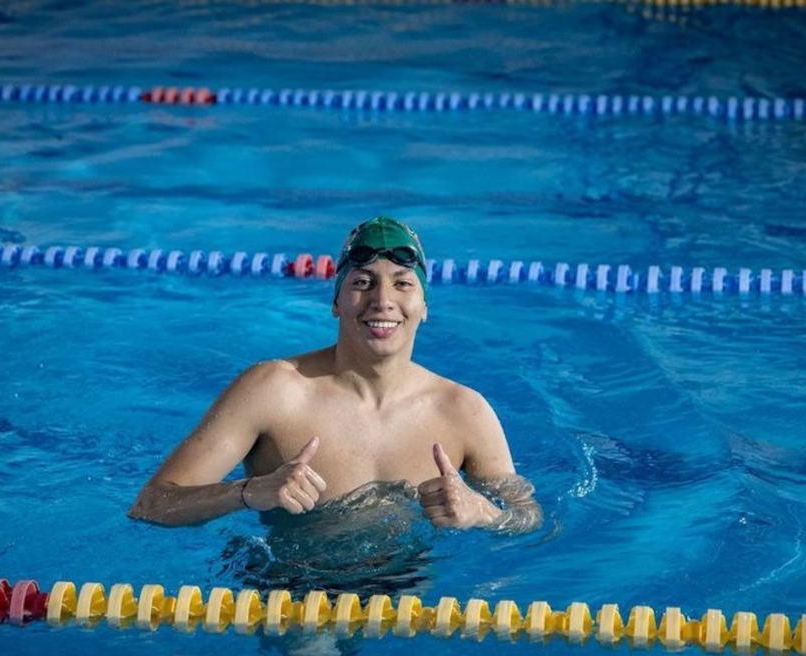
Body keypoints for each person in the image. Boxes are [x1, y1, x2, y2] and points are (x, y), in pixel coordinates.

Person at [129, 216, 541, 533]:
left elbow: (530, 519)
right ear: (336, 302)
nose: (382, 301)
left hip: (412, 601)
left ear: (424, 306)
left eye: (402, 284)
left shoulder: (463, 411)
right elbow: (152, 504)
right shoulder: (274, 390)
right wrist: (248, 493)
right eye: (362, 282)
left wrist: (483, 513)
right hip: (294, 590)